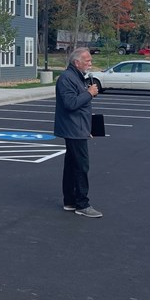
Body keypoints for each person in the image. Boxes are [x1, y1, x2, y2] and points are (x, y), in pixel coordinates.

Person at [53, 47, 102, 218]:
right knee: (81, 166)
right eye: (87, 61)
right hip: (73, 129)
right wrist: (89, 93)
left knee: (72, 165)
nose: (90, 64)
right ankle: (82, 204)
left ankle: (70, 201)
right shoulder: (67, 78)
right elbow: (70, 103)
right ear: (76, 62)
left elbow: (79, 105)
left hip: (78, 127)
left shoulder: (77, 77)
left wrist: (88, 127)